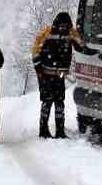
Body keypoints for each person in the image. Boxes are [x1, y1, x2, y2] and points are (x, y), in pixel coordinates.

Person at [30, 11, 81, 139]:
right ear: (56, 24)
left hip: (60, 75)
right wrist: (38, 69)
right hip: (46, 74)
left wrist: (92, 51)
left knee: (60, 102)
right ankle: (43, 130)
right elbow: (35, 50)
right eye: (61, 25)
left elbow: (81, 46)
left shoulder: (71, 33)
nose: (63, 28)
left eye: (66, 26)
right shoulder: (46, 32)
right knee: (46, 102)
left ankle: (60, 130)